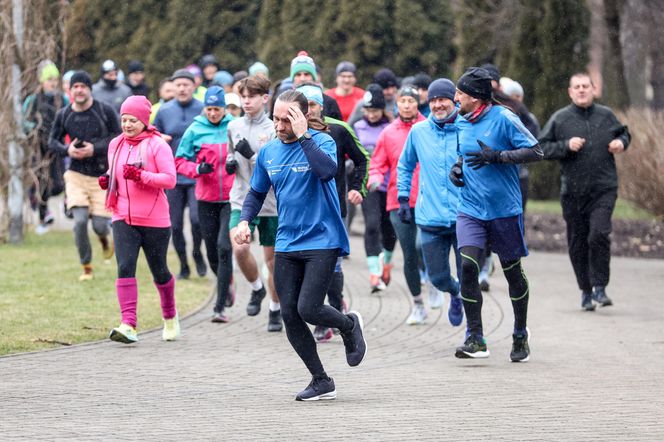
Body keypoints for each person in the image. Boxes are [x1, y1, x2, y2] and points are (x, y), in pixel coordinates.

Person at [234, 90, 366, 401]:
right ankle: (321, 380)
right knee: (290, 313)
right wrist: (245, 221)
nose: (278, 125)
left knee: (309, 308)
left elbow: (326, 172)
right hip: (287, 241)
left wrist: (305, 137)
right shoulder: (269, 153)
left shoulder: (323, 142)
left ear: (303, 117)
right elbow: (255, 193)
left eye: (286, 119)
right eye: (276, 118)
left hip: (323, 238)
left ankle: (349, 325)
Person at [449, 67, 543, 362]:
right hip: (471, 209)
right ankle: (475, 338)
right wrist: (457, 168)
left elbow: (536, 151)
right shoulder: (461, 122)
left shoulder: (504, 118)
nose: (455, 98)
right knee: (466, 267)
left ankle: (519, 333)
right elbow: (463, 154)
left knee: (511, 271)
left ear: (476, 97)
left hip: (504, 210)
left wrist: (499, 157)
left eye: (460, 93)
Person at [539, 72, 630, 311]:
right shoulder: (560, 118)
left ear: (593, 89)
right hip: (573, 192)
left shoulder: (606, 115)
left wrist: (622, 143)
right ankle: (586, 290)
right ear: (570, 92)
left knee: (598, 234)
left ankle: (600, 286)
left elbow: (624, 132)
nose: (581, 90)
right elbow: (542, 147)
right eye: (576, 87)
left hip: (603, 188)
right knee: (578, 242)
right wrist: (565, 146)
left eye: (585, 86)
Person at [99, 95, 179, 344]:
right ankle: (128, 324)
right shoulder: (116, 144)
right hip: (122, 215)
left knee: (160, 271)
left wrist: (141, 176)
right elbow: (115, 171)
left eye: (133, 120)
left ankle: (170, 316)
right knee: (124, 266)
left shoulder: (157, 145)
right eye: (124, 120)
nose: (127, 125)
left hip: (155, 219)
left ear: (144, 121)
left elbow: (169, 179)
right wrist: (107, 179)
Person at [296, 83, 369, 343]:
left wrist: (358, 188)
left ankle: (335, 309)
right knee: (306, 265)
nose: (308, 111)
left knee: (331, 264)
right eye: (303, 105)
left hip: (333, 208)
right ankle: (322, 314)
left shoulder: (338, 129)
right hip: (300, 213)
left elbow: (363, 159)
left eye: (313, 105)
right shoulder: (287, 133)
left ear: (321, 106)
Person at [397, 78, 464, 327]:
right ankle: (455, 294)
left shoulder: (466, 127)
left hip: (464, 216)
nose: (438, 105)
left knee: (468, 273)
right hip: (431, 217)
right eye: (434, 100)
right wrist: (403, 198)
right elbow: (404, 165)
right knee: (437, 278)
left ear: (453, 100)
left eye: (443, 99)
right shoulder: (419, 131)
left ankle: (474, 330)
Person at [48, 71, 121, 280]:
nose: (79, 90)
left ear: (90, 89)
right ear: (69, 91)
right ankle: (86, 266)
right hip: (76, 174)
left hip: (101, 175)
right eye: (75, 87)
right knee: (79, 221)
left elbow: (117, 137)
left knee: (99, 225)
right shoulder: (64, 114)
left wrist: (94, 148)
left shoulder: (104, 110)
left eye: (83, 86)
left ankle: (105, 239)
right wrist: (67, 150)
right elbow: (52, 141)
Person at [225, 76, 282, 331]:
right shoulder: (233, 126)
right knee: (239, 248)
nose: (246, 101)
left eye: (251, 96)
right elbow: (230, 151)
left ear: (264, 98)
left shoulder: (273, 129)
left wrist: (252, 155)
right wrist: (231, 161)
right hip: (241, 196)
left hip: (270, 202)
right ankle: (256, 288)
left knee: (273, 263)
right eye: (243, 97)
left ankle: (275, 308)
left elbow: (276, 164)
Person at [175, 86, 235, 322]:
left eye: (217, 109)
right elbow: (179, 161)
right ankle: (224, 281)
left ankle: (219, 306)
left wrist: (237, 164)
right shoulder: (195, 129)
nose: (213, 114)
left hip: (231, 198)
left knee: (224, 246)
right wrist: (196, 169)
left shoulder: (234, 125)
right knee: (211, 250)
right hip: (206, 198)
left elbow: (250, 156)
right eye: (209, 109)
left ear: (224, 108)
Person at [368, 85, 427, 325]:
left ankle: (434, 280)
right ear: (397, 104)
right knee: (410, 254)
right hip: (397, 201)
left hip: (427, 200)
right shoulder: (388, 133)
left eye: (411, 101)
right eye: (402, 101)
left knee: (423, 245)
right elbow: (377, 162)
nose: (406, 105)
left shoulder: (429, 128)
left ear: (417, 104)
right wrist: (374, 177)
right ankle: (418, 303)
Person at [153, 69, 207, 280]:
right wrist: (160, 138)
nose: (182, 88)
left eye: (186, 84)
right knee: (174, 224)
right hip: (172, 175)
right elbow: (152, 135)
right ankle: (184, 264)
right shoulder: (164, 111)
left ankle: (197, 253)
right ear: (172, 88)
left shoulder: (203, 109)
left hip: (196, 174)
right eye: (178, 85)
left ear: (194, 86)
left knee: (196, 220)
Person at [353, 84, 397, 292]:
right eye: (368, 110)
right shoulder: (357, 127)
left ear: (382, 110)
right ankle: (374, 272)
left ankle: (386, 262)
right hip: (368, 184)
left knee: (389, 227)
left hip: (389, 184)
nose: (371, 115)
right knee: (371, 225)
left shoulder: (390, 128)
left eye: (375, 111)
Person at [23, 60, 69, 235]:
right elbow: (23, 120)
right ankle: (44, 216)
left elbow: (68, 117)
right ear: (42, 80)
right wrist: (34, 128)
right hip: (38, 147)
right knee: (41, 181)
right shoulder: (33, 100)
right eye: (49, 79)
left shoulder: (61, 99)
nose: (52, 82)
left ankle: (60, 204)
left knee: (58, 183)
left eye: (54, 79)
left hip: (56, 145)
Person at [289, 51, 342, 120]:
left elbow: (337, 127)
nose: (302, 78)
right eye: (298, 75)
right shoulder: (285, 100)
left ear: (313, 77)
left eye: (306, 74)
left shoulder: (328, 102)